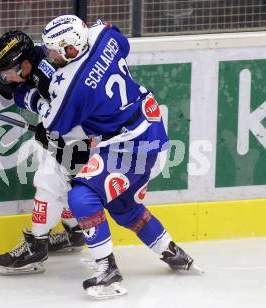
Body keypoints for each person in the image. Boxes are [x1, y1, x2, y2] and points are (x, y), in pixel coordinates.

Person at [37, 15, 201, 299]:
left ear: (71, 49)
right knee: (125, 207)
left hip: (128, 146)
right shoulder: (102, 34)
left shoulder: (72, 86)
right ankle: (173, 253)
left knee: (82, 197)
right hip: (149, 127)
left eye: (54, 51)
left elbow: (53, 124)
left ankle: (107, 271)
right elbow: (121, 42)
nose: (50, 56)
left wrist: (32, 98)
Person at [0, 30, 86, 275]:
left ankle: (37, 247)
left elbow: (76, 111)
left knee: (50, 182)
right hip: (71, 136)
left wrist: (55, 129)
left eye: (7, 71)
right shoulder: (23, 67)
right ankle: (75, 233)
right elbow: (1, 90)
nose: (3, 76)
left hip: (86, 137)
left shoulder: (55, 76)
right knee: (65, 184)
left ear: (26, 65)